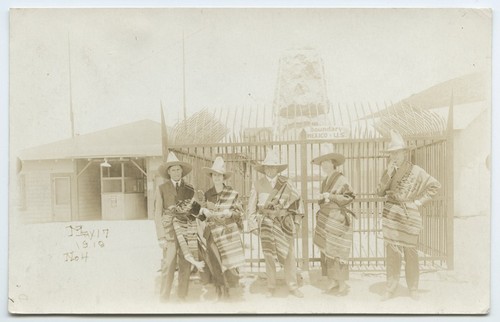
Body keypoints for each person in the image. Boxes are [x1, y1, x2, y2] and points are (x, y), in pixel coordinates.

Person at [377, 130, 441, 301]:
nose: (394, 156)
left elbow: (435, 186)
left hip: (409, 216)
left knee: (411, 252)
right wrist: (387, 175)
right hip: (391, 216)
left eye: (397, 153)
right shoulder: (388, 171)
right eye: (392, 153)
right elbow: (379, 192)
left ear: (405, 153)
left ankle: (413, 287)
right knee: (392, 252)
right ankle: (391, 287)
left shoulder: (417, 171)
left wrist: (418, 202)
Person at [247, 148, 304, 298]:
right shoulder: (257, 183)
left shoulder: (287, 183)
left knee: (289, 255)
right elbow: (251, 206)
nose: (270, 169)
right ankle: (271, 286)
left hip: (284, 223)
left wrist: (297, 222)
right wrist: (252, 225)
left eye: (273, 166)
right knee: (269, 256)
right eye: (267, 166)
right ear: (264, 168)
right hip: (266, 224)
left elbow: (298, 201)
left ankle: (292, 286)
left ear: (277, 168)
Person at [154, 151, 205, 302]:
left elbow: (195, 210)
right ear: (168, 172)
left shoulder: (189, 189)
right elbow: (157, 214)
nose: (176, 172)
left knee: (185, 263)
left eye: (178, 169)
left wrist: (203, 209)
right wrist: (161, 236)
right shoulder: (161, 189)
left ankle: (182, 295)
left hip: (185, 230)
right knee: (168, 264)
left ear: (182, 171)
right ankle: (164, 297)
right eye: (173, 170)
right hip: (169, 231)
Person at [197, 156, 245, 301]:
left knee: (229, 262)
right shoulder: (207, 194)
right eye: (214, 175)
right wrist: (202, 212)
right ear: (211, 176)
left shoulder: (231, 193)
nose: (217, 177)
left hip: (227, 232)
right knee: (215, 261)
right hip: (212, 233)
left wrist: (230, 213)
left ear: (223, 177)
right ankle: (221, 289)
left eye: (219, 175)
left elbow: (240, 214)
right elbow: (201, 217)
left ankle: (230, 285)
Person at [311, 150, 356, 296]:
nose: (324, 165)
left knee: (338, 251)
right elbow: (325, 199)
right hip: (327, 218)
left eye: (326, 162)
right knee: (327, 250)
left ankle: (342, 283)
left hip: (338, 219)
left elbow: (349, 197)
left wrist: (330, 196)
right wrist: (323, 198)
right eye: (322, 163)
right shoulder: (325, 181)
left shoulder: (342, 179)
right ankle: (332, 281)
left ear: (333, 164)